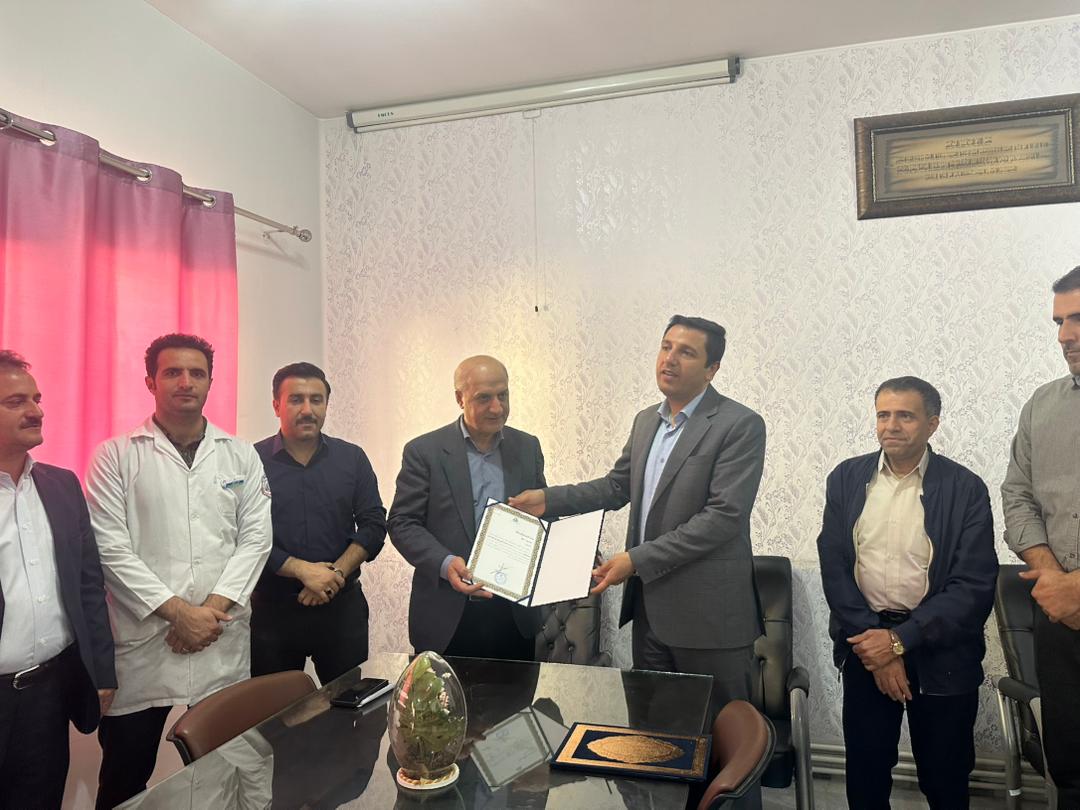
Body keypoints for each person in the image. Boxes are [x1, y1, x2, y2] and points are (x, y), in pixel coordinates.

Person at [510, 315, 766, 720]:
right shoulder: (647, 421)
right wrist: (548, 500)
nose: (670, 359)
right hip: (650, 615)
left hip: (710, 621)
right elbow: (616, 486)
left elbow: (723, 517)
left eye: (686, 352)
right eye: (666, 347)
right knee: (653, 735)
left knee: (719, 738)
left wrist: (635, 560)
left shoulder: (739, 425)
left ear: (712, 369)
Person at [86, 334, 272, 809]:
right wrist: (179, 614)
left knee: (230, 765)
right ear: (150, 381)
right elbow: (110, 549)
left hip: (219, 640)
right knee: (125, 776)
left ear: (210, 382)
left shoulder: (240, 455)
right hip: (146, 645)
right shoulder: (116, 456)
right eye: (172, 372)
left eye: (196, 373)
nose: (185, 382)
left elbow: (255, 540)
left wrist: (207, 612)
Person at [816, 376, 996, 809]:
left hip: (942, 651)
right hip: (865, 644)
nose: (891, 425)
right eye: (883, 414)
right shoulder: (846, 478)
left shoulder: (965, 488)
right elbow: (834, 565)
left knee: (945, 777)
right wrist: (877, 647)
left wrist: (899, 641)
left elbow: (972, 585)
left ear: (932, 424)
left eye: (905, 416)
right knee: (866, 773)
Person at [0, 351, 116, 808]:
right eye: (15, 401)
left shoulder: (62, 485)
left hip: (47, 697)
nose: (36, 410)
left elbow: (89, 586)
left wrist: (101, 672)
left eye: (37, 399)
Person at [388, 355, 545, 660]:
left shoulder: (527, 447)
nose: (497, 408)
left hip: (513, 616)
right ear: (460, 398)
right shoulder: (424, 452)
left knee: (517, 693)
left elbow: (542, 512)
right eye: (484, 398)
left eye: (503, 395)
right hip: (447, 616)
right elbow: (402, 523)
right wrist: (446, 563)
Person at [251, 362, 386, 683]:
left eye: (316, 400)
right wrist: (301, 570)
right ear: (276, 406)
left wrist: (334, 574)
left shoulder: (352, 458)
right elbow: (243, 535)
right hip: (273, 610)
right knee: (273, 709)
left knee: (351, 704)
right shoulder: (250, 460)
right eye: (296, 400)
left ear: (326, 405)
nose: (307, 410)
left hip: (341, 609)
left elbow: (374, 524)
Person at [1002, 265, 1080, 808]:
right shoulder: (1042, 405)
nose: (1064, 336)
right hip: (1059, 618)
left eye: (1077, 319)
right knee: (1070, 768)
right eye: (1058, 322)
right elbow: (1017, 496)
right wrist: (1055, 582)